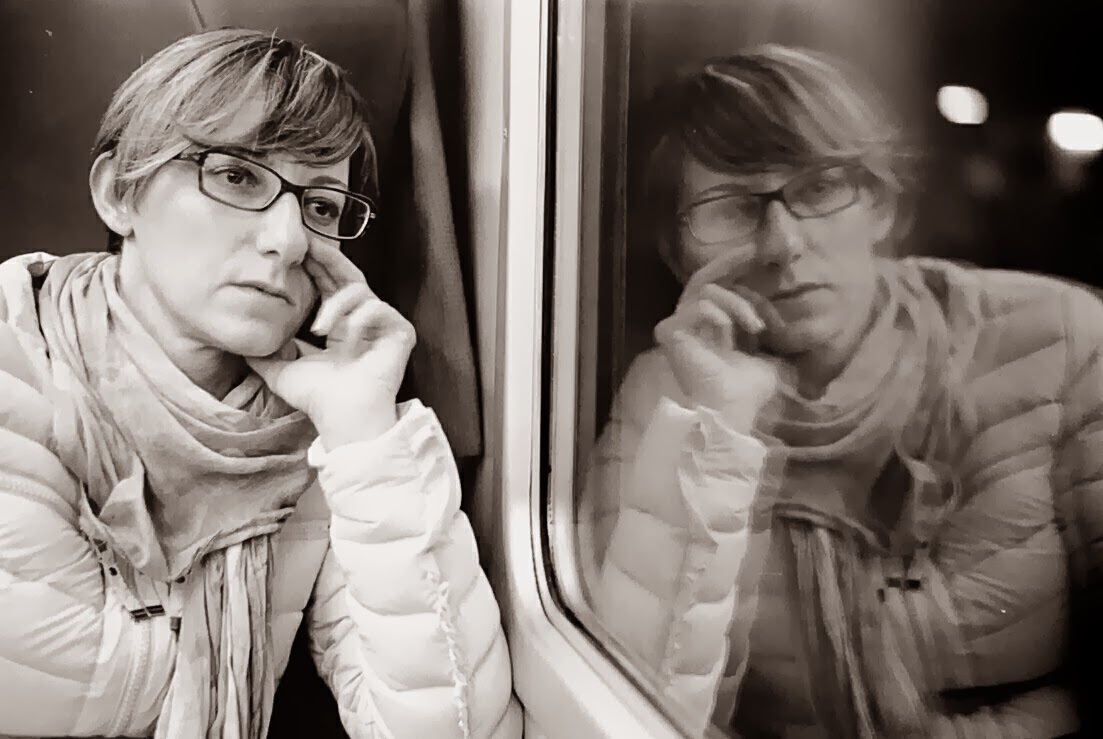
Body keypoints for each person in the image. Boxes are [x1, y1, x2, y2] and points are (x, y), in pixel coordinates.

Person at [0, 29, 521, 738]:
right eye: (238, 176)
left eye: (321, 206)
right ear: (119, 193)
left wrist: (367, 433)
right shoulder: (17, 370)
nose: (290, 239)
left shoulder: (313, 433)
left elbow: (453, 731)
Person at [579, 44, 1103, 738]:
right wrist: (716, 425)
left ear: (881, 206)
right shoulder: (671, 396)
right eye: (731, 208)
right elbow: (639, 701)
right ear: (679, 255)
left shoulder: (1056, 336)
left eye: (820, 189)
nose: (783, 243)